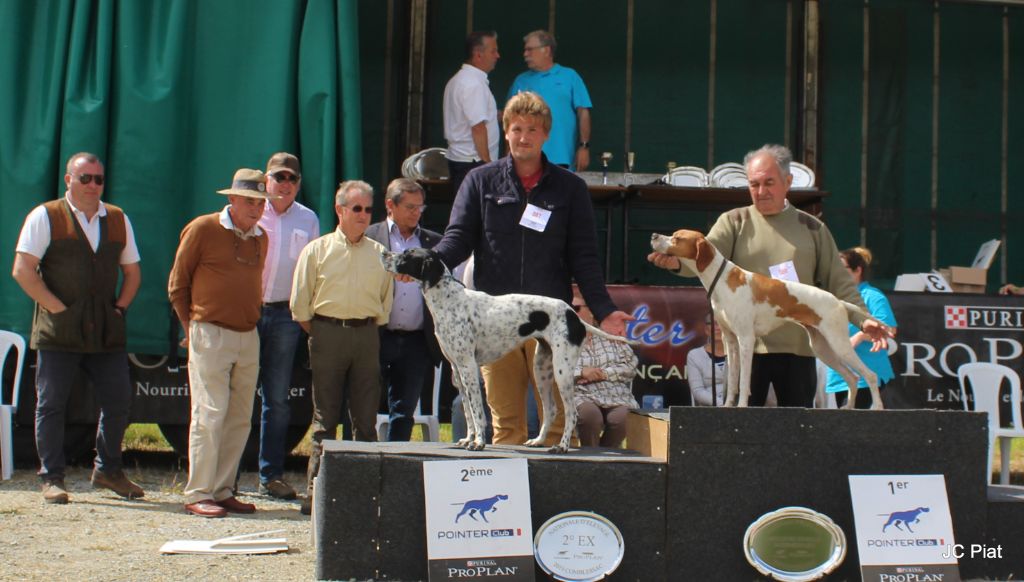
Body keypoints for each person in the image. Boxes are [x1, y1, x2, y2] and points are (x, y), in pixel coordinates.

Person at [432, 90, 632, 447]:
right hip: (495, 319)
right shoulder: (480, 181)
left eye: (533, 130)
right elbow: (457, 238)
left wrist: (605, 311)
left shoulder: (570, 188)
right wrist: (429, 264)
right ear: (506, 131)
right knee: (506, 425)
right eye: (517, 128)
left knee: (556, 428)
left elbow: (584, 257)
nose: (524, 137)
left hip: (549, 318)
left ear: (546, 135)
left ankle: (555, 500)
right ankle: (511, 502)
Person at [647, 144, 890, 408]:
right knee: (740, 437)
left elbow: (840, 283)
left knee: (795, 436)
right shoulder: (733, 221)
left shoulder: (813, 227)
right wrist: (675, 263)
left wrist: (864, 320)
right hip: (749, 351)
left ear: (788, 182)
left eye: (769, 183)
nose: (761, 191)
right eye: (754, 184)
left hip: (798, 350)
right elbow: (702, 258)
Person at [12, 152, 145, 504]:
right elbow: (23, 269)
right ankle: (51, 478)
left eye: (98, 179)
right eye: (84, 178)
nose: (92, 185)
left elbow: (132, 272)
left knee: (118, 401)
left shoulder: (117, 218)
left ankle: (108, 471)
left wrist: (120, 309)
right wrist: (55, 308)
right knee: (51, 404)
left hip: (105, 330)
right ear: (68, 179)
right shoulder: (46, 216)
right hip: (59, 330)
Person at [168, 168, 273, 518]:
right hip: (209, 330)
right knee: (209, 413)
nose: (256, 208)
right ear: (231, 198)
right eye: (249, 201)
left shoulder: (262, 237)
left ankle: (223, 489)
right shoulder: (203, 228)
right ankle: (198, 491)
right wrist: (191, 327)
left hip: (248, 333)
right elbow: (177, 284)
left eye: (261, 202)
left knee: (240, 417)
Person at [291, 180, 393, 514]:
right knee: (325, 418)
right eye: (356, 209)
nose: (363, 215)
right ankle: (315, 492)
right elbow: (300, 304)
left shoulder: (381, 255)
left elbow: (385, 303)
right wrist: (322, 332)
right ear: (340, 210)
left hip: (366, 335)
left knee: (365, 419)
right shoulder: (317, 250)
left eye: (367, 209)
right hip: (327, 333)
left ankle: (365, 494)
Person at [254, 152, 319, 500]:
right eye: (279, 177)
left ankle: (270, 476)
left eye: (292, 178)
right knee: (234, 397)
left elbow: (310, 272)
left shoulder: (308, 219)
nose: (285, 184)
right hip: (247, 312)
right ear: (266, 179)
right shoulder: (251, 210)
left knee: (277, 399)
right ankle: (224, 478)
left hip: (284, 315)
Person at [366, 178, 442, 441]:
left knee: (404, 410)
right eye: (410, 206)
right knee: (365, 405)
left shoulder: (433, 243)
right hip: (377, 334)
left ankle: (396, 465)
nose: (416, 213)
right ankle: (363, 465)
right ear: (390, 205)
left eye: (420, 207)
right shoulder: (369, 237)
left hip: (416, 339)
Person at [507, 30, 592, 171]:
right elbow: (509, 119)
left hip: (561, 158)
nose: (525, 54)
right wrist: (508, 154)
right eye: (525, 50)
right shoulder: (521, 80)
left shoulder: (570, 76)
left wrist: (584, 146)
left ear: (546, 50)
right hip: (525, 158)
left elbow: (583, 112)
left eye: (529, 50)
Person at [825, 247, 899, 409]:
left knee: (855, 426)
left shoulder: (872, 296)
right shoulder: (832, 297)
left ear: (857, 270)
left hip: (866, 373)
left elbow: (890, 329)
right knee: (847, 425)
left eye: (841, 268)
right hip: (841, 375)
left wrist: (858, 337)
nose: (836, 273)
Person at [571, 296, 638, 448]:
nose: (571, 312)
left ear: (592, 312)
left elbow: (630, 366)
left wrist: (603, 373)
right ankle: (590, 455)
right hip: (580, 393)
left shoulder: (611, 336)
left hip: (615, 393)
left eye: (576, 308)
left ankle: (606, 458)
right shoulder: (561, 341)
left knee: (624, 418)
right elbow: (554, 370)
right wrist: (581, 372)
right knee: (590, 417)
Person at [443, 30, 501, 195]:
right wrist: (487, 164)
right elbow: (477, 126)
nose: (497, 55)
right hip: (473, 162)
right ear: (478, 55)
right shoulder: (472, 83)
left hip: (465, 161)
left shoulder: (461, 79)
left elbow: (470, 117)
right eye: (493, 51)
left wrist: (497, 115)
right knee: (473, 215)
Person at [686, 313, 727, 407]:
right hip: (708, 410)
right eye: (713, 323)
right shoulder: (695, 355)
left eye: (722, 323)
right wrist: (721, 404)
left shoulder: (739, 354)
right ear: (706, 330)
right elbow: (697, 391)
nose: (718, 327)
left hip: (738, 409)